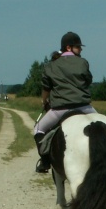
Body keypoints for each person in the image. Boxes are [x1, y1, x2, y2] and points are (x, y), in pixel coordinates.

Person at [33, 32, 96, 173]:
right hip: (85, 107)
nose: (81, 49)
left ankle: (45, 161)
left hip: (60, 109)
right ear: (69, 47)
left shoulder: (50, 66)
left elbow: (46, 88)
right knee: (104, 124)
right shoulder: (83, 62)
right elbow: (88, 81)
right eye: (78, 47)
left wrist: (44, 102)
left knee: (38, 129)